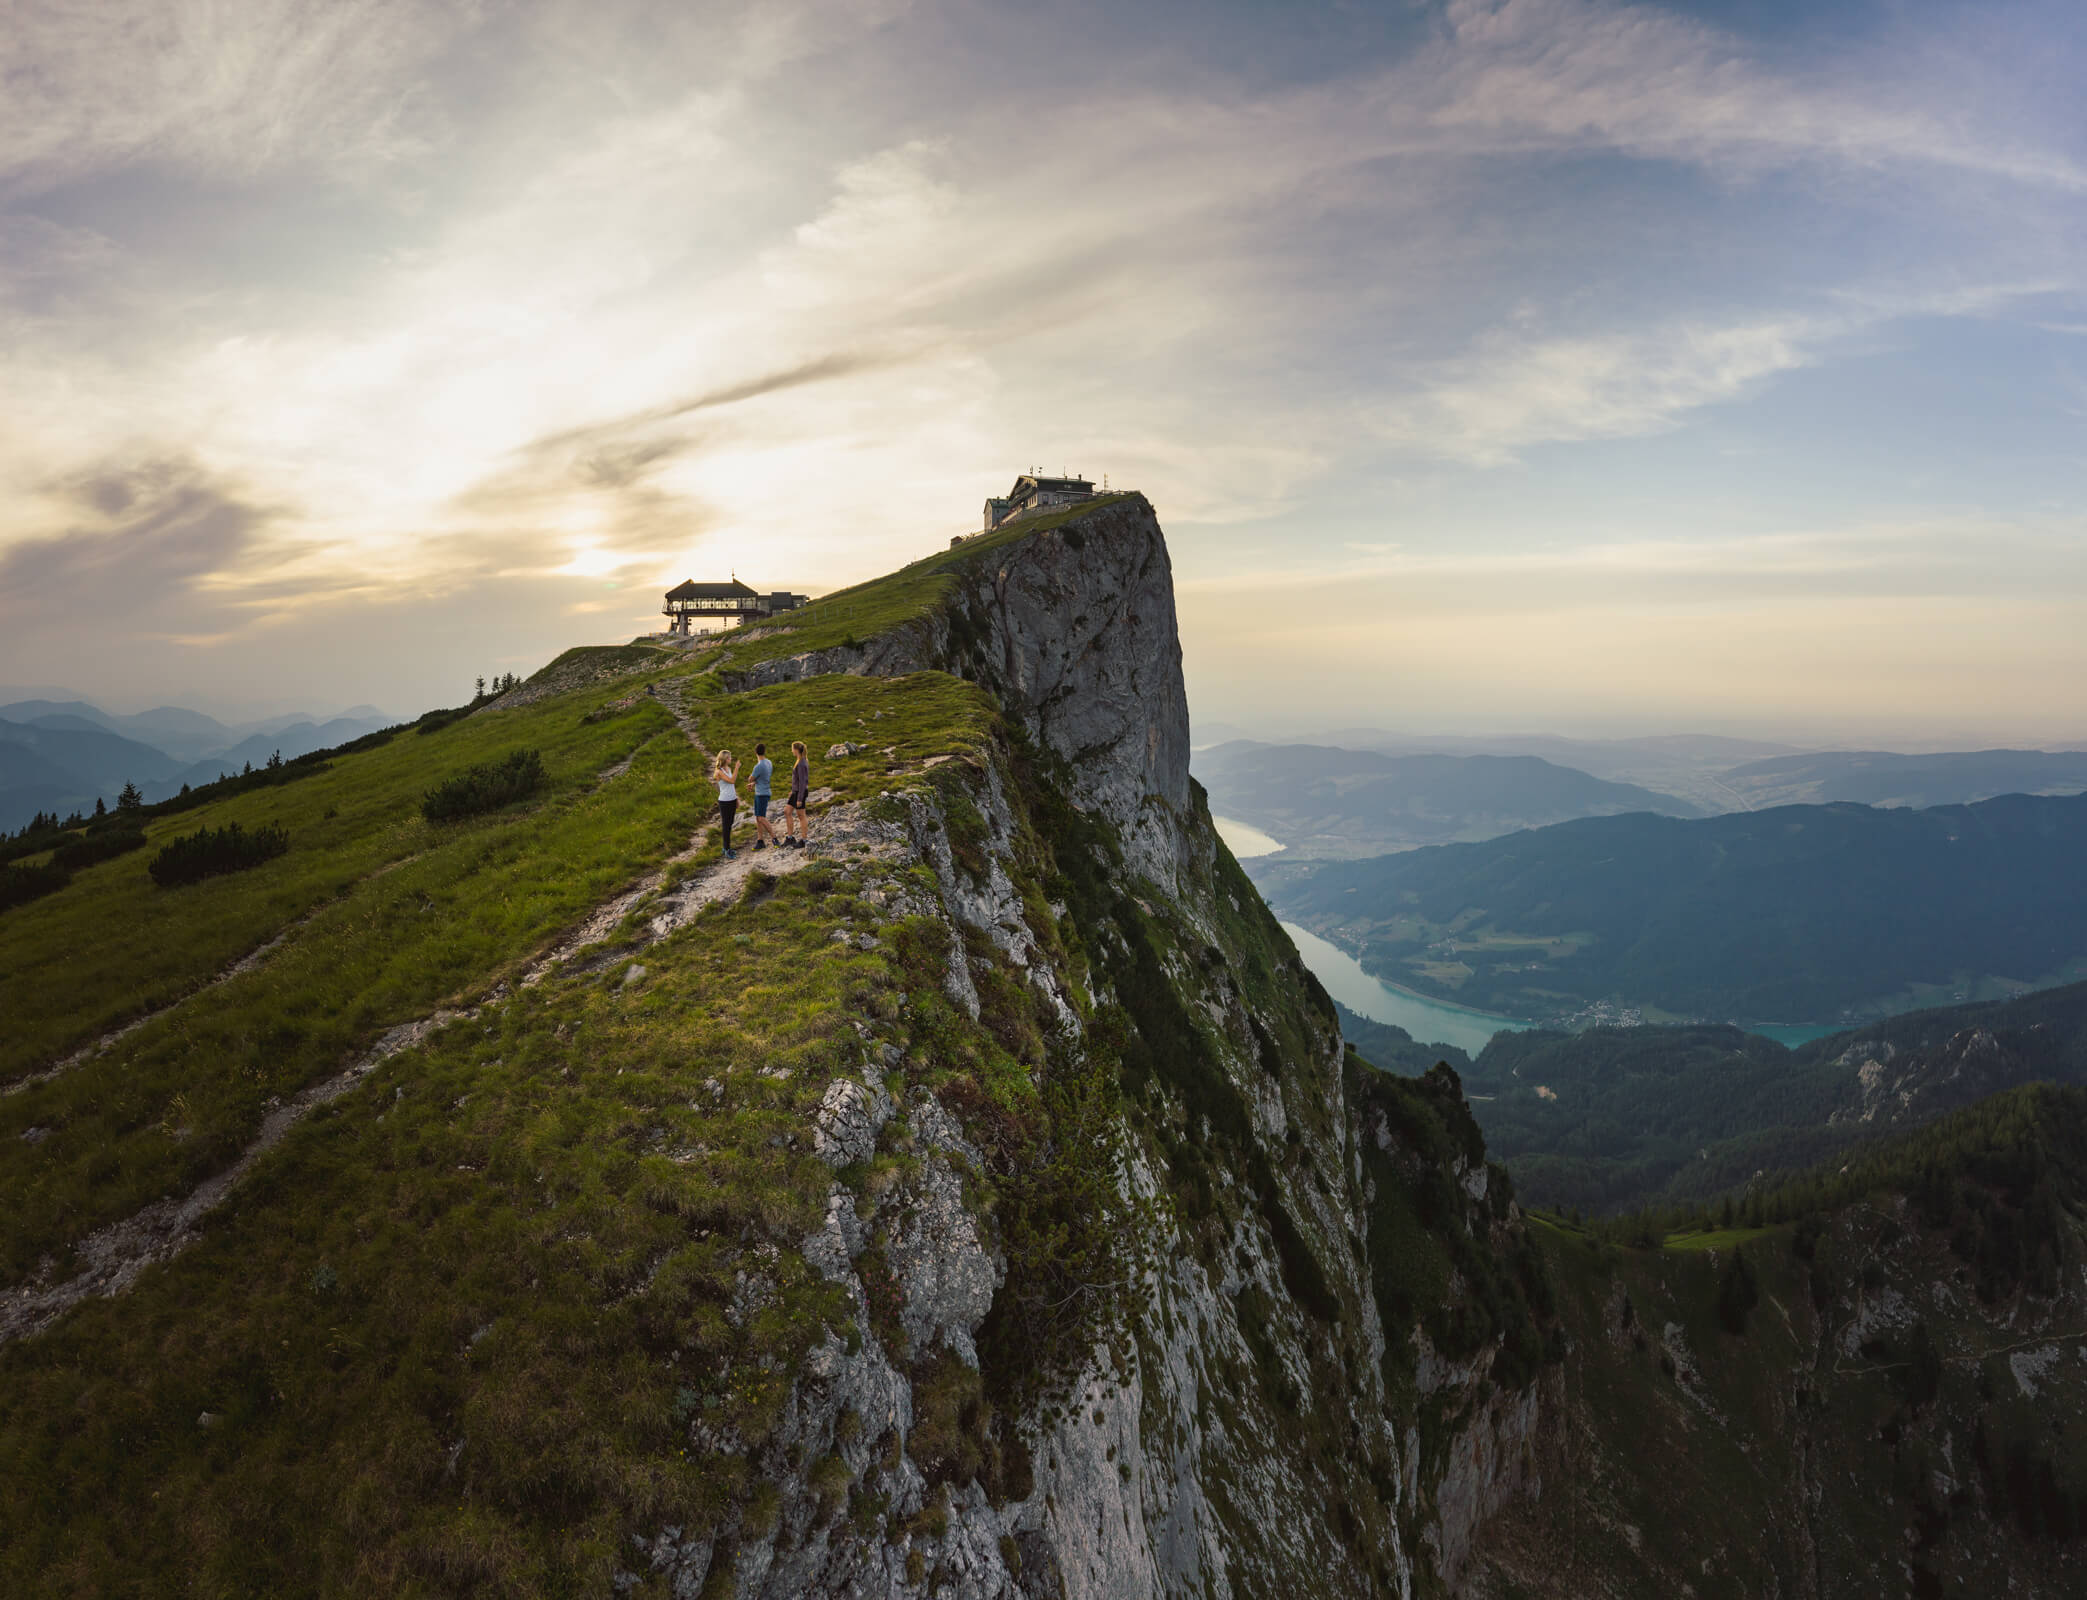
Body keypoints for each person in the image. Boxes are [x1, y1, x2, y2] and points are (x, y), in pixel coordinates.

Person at [783, 740, 811, 849]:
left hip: (800, 793)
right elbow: (798, 780)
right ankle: (790, 838)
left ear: (796, 750)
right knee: (787, 811)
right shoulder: (800, 761)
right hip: (796, 792)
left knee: (801, 815)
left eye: (792, 749)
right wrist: (792, 790)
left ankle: (804, 840)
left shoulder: (802, 763)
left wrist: (799, 798)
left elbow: (803, 783)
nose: (791, 751)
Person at [712, 749, 740, 858]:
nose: (731, 759)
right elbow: (732, 780)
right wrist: (737, 768)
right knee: (726, 825)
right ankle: (727, 849)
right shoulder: (718, 771)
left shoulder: (728, 768)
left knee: (730, 823)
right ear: (724, 759)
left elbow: (732, 786)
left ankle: (726, 847)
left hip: (732, 799)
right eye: (729, 757)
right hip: (724, 801)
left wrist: (736, 798)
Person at [749, 743, 775, 851]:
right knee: (758, 817)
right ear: (764, 751)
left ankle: (774, 837)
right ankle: (760, 841)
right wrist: (755, 783)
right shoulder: (769, 762)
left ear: (755, 752)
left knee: (761, 818)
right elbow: (763, 778)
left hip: (761, 794)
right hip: (764, 791)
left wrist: (752, 781)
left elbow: (750, 778)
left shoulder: (758, 766)